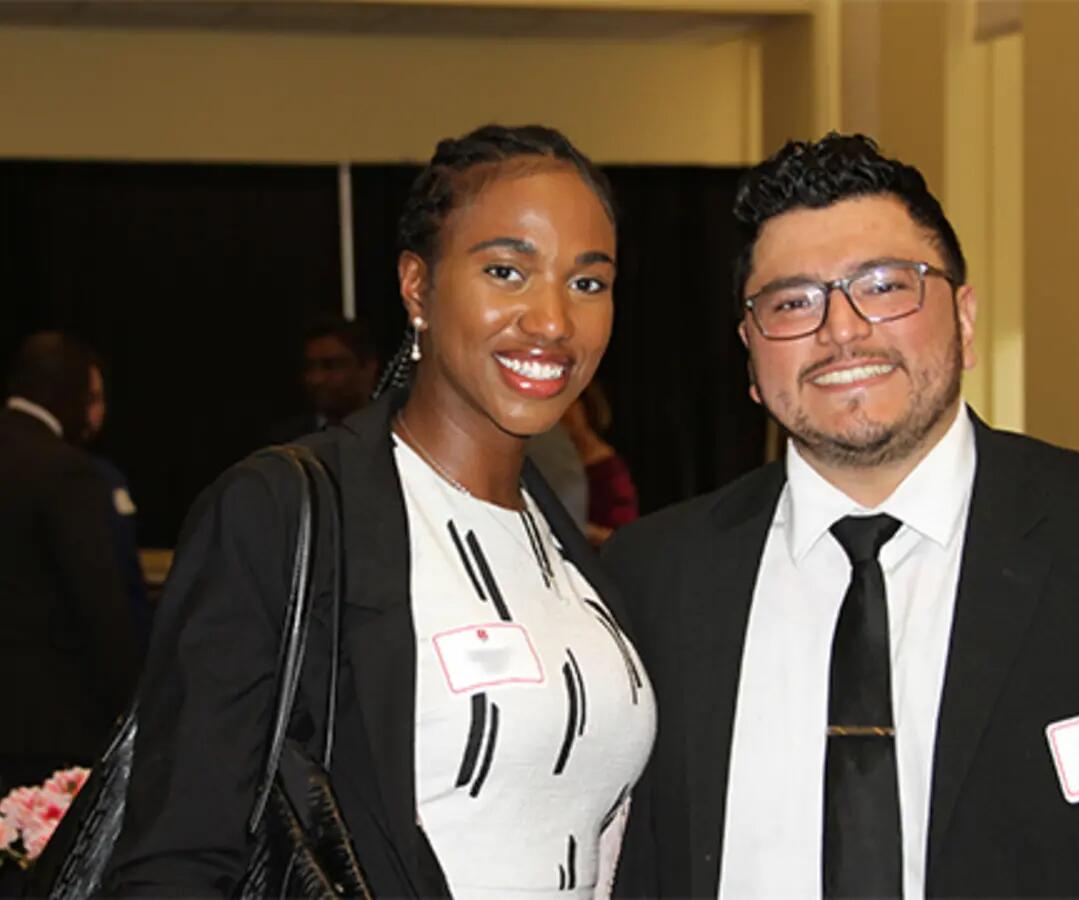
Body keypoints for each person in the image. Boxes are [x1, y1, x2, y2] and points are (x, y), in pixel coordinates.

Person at [103, 124, 656, 898]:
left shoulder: (571, 557)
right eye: (506, 271)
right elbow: (178, 855)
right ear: (417, 286)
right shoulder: (282, 510)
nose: (553, 321)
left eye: (588, 283)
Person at [605, 134, 1079, 899]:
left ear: (964, 321)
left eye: (884, 285)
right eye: (793, 302)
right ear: (750, 356)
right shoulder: (651, 581)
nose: (841, 330)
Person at [0, 332, 140, 796]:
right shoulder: (66, 471)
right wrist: (132, 704)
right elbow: (100, 605)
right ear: (70, 395)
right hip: (52, 723)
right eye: (93, 397)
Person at [83, 359, 154, 651]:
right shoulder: (76, 480)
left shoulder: (108, 478)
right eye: (91, 399)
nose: (98, 412)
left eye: (100, 399)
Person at [267, 317, 380, 443]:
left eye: (330, 366)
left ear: (368, 368)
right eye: (309, 367)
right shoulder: (286, 442)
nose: (316, 379)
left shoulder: (395, 433)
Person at [560, 382, 639, 546]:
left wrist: (582, 530)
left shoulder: (610, 471)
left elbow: (623, 537)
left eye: (569, 411)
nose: (561, 421)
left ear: (586, 410)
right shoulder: (556, 460)